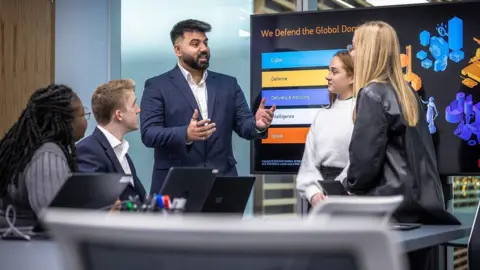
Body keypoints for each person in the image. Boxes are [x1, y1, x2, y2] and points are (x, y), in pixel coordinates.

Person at [346, 21, 459, 270]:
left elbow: (363, 166)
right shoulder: (408, 94)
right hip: (418, 213)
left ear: (367, 52)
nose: (350, 53)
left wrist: (346, 188)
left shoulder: (372, 94)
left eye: (353, 47)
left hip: (387, 215)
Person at [140, 19, 276, 193]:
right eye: (195, 44)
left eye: (205, 43)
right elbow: (149, 134)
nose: (203, 48)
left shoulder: (228, 84)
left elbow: (244, 126)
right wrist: (186, 134)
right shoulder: (157, 86)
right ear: (178, 50)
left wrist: (257, 125)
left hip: (223, 185)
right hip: (176, 186)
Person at [0, 84, 88, 226]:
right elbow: (56, 219)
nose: (86, 122)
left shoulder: (31, 149)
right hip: (29, 246)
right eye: (83, 115)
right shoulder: (48, 155)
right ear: (65, 121)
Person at [296, 50, 355, 208]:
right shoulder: (321, 115)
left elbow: (362, 161)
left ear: (352, 77)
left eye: (334, 72)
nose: (328, 76)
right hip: (318, 200)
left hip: (349, 197)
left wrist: (336, 190)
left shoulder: (363, 113)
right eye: (329, 71)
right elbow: (308, 163)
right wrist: (313, 193)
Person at [76, 79, 146, 202]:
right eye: (134, 104)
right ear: (119, 115)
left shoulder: (121, 150)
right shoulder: (88, 151)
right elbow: (94, 204)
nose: (138, 109)